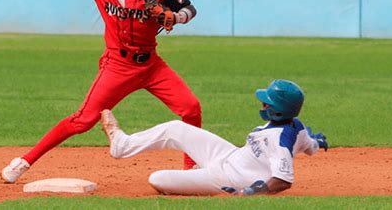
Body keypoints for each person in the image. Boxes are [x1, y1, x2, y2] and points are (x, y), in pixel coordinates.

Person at [1, 0, 201, 183]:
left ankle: (191, 169)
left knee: (191, 108)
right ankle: (24, 161)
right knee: (82, 121)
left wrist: (178, 17)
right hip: (117, 66)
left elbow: (191, 7)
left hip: (152, 66)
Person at [100, 79, 328, 195]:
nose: (262, 102)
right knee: (176, 128)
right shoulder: (296, 127)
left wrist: (248, 193)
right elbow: (309, 145)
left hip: (227, 179)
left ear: (277, 109)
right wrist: (317, 142)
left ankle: (200, 176)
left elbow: (283, 180)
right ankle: (122, 144)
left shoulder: (280, 142)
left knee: (157, 179)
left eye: (267, 101)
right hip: (228, 154)